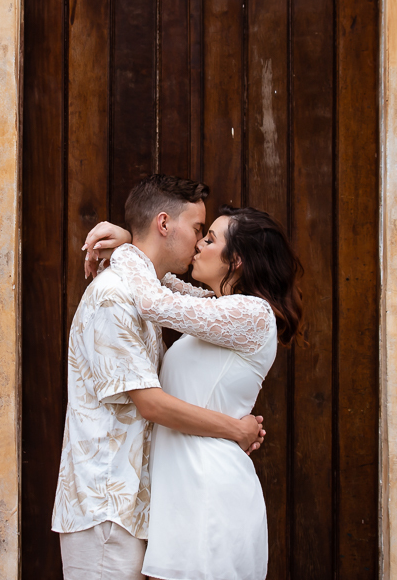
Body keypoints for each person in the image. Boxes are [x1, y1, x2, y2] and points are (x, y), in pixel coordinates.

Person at [51, 175, 267, 580]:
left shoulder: (141, 293)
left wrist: (128, 247)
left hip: (133, 508)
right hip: (105, 507)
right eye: (199, 230)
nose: (200, 242)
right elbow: (149, 403)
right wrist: (233, 429)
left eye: (208, 236)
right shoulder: (115, 295)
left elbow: (188, 303)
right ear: (164, 224)